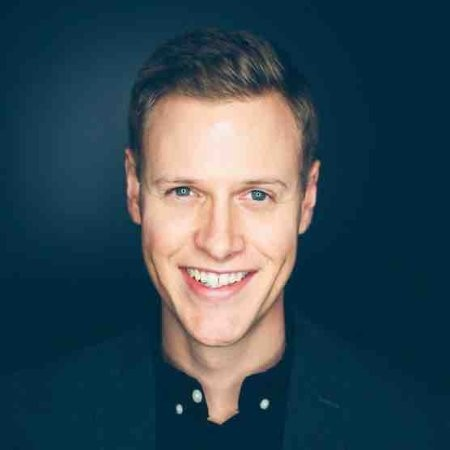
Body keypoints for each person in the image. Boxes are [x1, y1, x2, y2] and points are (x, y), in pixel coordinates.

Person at [1, 28, 436, 449]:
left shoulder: (418, 430)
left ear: (307, 200)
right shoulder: (21, 424)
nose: (219, 242)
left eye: (257, 195)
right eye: (183, 191)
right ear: (134, 190)